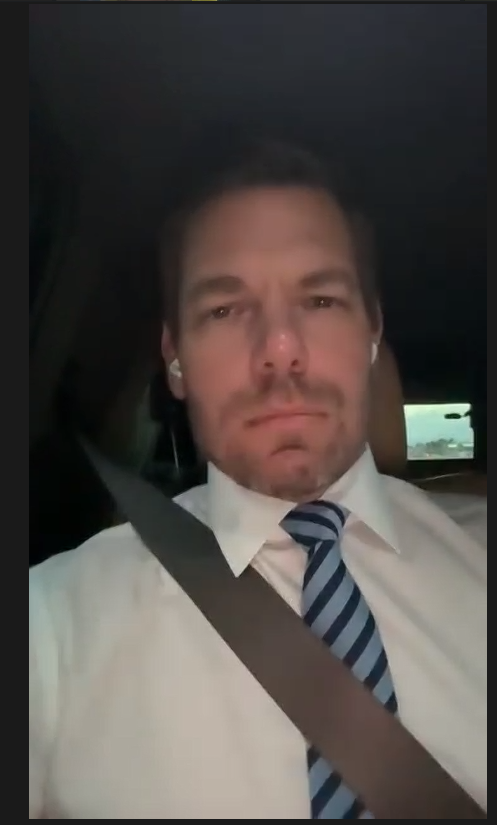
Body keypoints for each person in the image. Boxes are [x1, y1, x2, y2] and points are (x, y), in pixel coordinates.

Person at [29, 140, 487, 819]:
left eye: (321, 299)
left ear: (372, 331)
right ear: (175, 357)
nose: (279, 349)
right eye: (223, 309)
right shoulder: (51, 623)